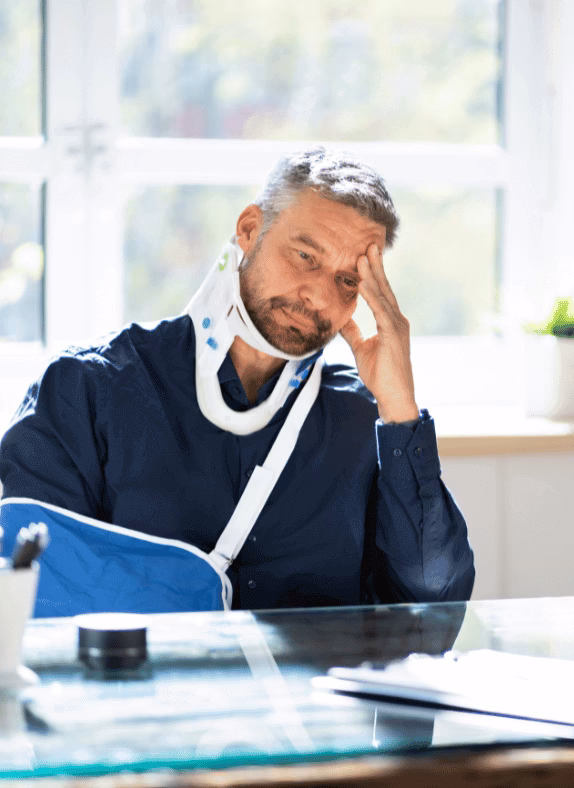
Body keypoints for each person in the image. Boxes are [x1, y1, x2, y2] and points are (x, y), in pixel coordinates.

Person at [0, 147, 475, 611]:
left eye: (348, 281)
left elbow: (435, 598)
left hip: (315, 671)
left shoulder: (364, 417)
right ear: (249, 229)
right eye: (305, 256)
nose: (318, 295)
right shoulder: (86, 390)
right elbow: (35, 595)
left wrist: (400, 409)